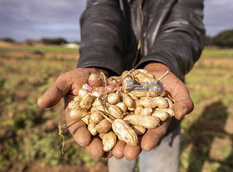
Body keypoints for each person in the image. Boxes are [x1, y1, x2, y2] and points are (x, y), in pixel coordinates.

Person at [38, 0, 205, 171]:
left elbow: (185, 26)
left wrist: (162, 63)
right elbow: (100, 14)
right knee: (119, 157)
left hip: (165, 93)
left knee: (159, 160)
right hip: (114, 79)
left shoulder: (153, 99)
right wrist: (97, 61)